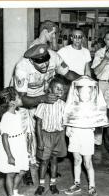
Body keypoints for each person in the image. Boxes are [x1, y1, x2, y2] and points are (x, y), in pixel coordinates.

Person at [13, 43, 80, 186]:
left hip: (45, 97)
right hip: (25, 100)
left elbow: (68, 74)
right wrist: (42, 99)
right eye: (39, 62)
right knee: (27, 135)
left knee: (48, 131)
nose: (44, 65)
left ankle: (47, 163)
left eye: (46, 60)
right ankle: (26, 169)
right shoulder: (22, 68)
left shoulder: (55, 57)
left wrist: (85, 80)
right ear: (31, 61)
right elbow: (21, 98)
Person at [64, 76, 108, 196]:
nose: (85, 94)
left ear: (92, 92)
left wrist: (96, 126)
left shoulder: (93, 107)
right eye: (82, 91)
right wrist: (68, 127)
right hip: (75, 135)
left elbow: (99, 119)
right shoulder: (73, 105)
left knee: (87, 162)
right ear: (77, 92)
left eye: (88, 92)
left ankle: (92, 186)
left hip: (87, 135)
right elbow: (69, 116)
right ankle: (77, 183)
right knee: (77, 160)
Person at [0, 87, 29, 196]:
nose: (21, 99)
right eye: (18, 97)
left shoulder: (17, 113)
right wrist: (9, 155)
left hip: (19, 144)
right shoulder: (6, 117)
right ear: (12, 102)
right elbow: (4, 138)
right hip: (10, 147)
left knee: (22, 170)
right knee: (11, 173)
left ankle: (15, 192)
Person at [34, 77, 67, 195]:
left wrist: (64, 137)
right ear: (50, 89)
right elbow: (38, 123)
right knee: (44, 161)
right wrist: (40, 141)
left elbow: (65, 123)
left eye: (62, 89)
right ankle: (41, 185)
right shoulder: (43, 104)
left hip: (58, 136)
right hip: (45, 135)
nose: (60, 91)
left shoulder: (63, 105)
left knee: (54, 160)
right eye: (57, 88)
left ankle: (53, 184)